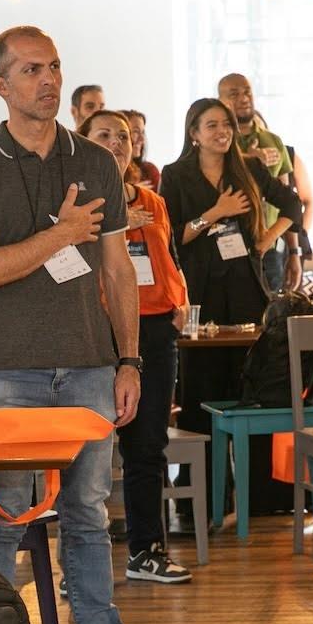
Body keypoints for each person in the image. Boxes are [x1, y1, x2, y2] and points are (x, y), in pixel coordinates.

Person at [0, 26, 155, 624]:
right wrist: (62, 234)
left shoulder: (96, 162)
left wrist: (129, 360)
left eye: (55, 67)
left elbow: (117, 270)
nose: (49, 80)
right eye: (32, 70)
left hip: (91, 365)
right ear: (0, 84)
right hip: (5, 367)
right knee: (1, 516)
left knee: (89, 516)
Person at [161, 97, 306, 518]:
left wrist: (266, 240)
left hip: (246, 289)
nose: (222, 131)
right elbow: (172, 236)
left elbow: (293, 205)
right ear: (194, 133)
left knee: (249, 393)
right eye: (212, 125)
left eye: (226, 124)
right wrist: (215, 213)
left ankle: (256, 495)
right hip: (200, 293)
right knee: (201, 393)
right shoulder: (176, 174)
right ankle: (202, 501)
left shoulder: (250, 169)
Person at [83, 109, 191, 584]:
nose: (116, 142)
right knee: (87, 450)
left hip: (155, 331)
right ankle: (80, 564)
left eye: (123, 136)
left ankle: (147, 552)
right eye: (104, 134)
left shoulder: (153, 200)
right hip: (97, 329)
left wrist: (180, 299)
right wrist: (116, 223)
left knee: (148, 445)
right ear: (84, 143)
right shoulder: (75, 203)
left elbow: (168, 258)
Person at [218, 73, 312, 287]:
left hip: (269, 248)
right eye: (234, 94)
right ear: (221, 101)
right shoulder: (220, 141)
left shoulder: (273, 141)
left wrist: (294, 252)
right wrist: (251, 160)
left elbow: (288, 201)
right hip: (226, 243)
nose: (243, 98)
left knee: (272, 307)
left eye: (247, 92)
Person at [123, 108, 160, 191]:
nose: (142, 139)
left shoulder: (150, 170)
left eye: (143, 132)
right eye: (136, 131)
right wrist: (132, 192)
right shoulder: (105, 173)